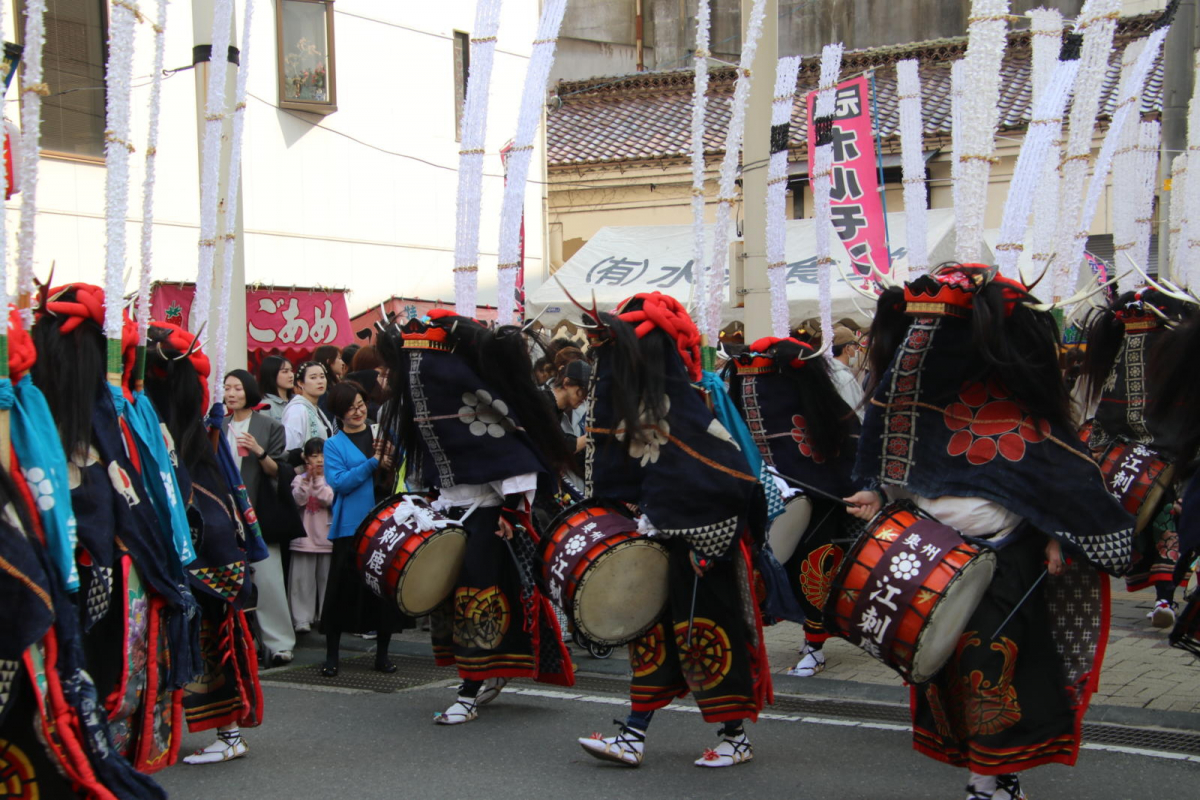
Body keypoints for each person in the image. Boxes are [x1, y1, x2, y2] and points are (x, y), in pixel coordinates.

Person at [844, 263, 1134, 800]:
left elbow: (1063, 487)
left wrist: (1057, 535)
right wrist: (879, 496)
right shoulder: (911, 407)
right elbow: (900, 475)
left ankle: (994, 781)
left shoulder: (1022, 412)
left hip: (1004, 567)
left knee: (992, 668)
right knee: (947, 672)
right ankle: (988, 778)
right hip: (932, 561)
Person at [575, 292, 771, 769]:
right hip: (665, 537)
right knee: (655, 638)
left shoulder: (683, 402)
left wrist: (703, 541)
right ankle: (634, 734)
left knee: (706, 636)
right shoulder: (649, 401)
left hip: (705, 541)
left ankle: (735, 738)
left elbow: (731, 478)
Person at [378, 310, 576, 725]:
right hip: (450, 516)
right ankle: (486, 673)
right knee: (455, 601)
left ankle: (468, 689)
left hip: (486, 520)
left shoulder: (471, 401)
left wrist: (508, 508)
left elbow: (516, 457)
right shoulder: (436, 400)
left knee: (477, 602)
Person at [144, 321, 264, 765]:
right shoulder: (198, 432)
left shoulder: (188, 436)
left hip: (208, 555)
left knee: (216, 636)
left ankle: (230, 731)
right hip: (206, 549)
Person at [726, 335, 859, 678]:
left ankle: (815, 645)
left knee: (813, 566)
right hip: (769, 495)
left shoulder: (817, 404)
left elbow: (847, 440)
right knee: (771, 566)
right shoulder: (737, 396)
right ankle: (791, 635)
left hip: (820, 494)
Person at [1079, 288, 1196, 626]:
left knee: (1163, 527)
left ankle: (1165, 600)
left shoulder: (1176, 367)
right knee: (1162, 529)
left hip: (1158, 460)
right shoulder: (1167, 362)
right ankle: (1164, 600)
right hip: (1154, 461)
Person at [320, 381, 400, 677]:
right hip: (350, 524)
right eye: (350, 407)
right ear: (339, 413)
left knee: (382, 590)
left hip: (383, 520)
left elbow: (399, 464)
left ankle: (382, 654)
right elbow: (339, 482)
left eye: (361, 404)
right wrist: (372, 463)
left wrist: (386, 460)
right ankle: (332, 656)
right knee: (340, 590)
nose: (358, 411)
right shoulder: (333, 444)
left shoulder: (380, 433)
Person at [222, 369, 295, 666]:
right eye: (227, 388)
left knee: (268, 578)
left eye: (237, 388)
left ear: (249, 391)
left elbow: (280, 470)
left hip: (258, 511)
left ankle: (280, 643)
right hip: (225, 511)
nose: (231, 393)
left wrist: (258, 451)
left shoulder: (269, 426)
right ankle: (234, 640)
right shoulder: (218, 424)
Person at [290, 438, 334, 634]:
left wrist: (317, 481)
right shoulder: (299, 478)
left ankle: (325, 616)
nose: (319, 460)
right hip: (304, 538)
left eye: (323, 455)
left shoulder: (332, 477)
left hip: (327, 537)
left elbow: (328, 499)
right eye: (314, 456)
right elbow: (297, 500)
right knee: (301, 579)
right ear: (306, 458)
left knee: (327, 579)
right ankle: (301, 619)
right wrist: (307, 481)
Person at [283, 361, 334, 452]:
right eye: (313, 377)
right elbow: (291, 447)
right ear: (300, 383)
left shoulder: (316, 409)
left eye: (322, 377)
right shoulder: (296, 409)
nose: (320, 381)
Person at [829, 325, 865, 420]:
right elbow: (851, 410)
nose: (856, 351)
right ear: (847, 349)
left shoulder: (826, 372)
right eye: (855, 347)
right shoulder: (843, 377)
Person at [257, 354, 295, 421]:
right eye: (285, 371)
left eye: (291, 371)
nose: (291, 375)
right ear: (272, 374)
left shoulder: (296, 401)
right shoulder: (266, 406)